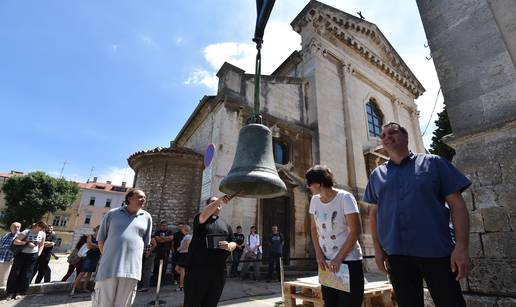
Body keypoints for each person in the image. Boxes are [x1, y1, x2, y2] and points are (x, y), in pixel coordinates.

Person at [364, 122, 471, 307]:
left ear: (406, 137)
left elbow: (457, 206)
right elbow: (374, 215)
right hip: (397, 256)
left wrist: (461, 247)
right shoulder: (376, 175)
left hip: (437, 252)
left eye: (392, 132)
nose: (386, 137)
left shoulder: (434, 163)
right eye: (383, 135)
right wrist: (377, 249)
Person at [306, 165, 364, 306]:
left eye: (309, 183)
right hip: (326, 263)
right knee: (330, 303)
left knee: (348, 304)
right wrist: (318, 253)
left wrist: (339, 258)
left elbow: (355, 230)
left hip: (348, 262)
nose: (307, 186)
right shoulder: (314, 200)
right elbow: (313, 228)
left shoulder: (345, 198)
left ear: (319, 184)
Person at [92, 189, 152, 307]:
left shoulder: (147, 217)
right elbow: (101, 239)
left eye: (144, 197)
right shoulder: (112, 213)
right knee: (103, 303)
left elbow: (146, 243)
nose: (143, 199)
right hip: (109, 268)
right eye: (140, 197)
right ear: (129, 198)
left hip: (132, 269)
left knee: (124, 304)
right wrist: (108, 257)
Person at [183, 196, 237, 307]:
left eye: (219, 203)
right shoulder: (200, 218)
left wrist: (229, 246)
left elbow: (234, 241)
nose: (218, 204)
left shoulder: (225, 225)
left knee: (212, 302)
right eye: (213, 202)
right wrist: (219, 200)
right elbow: (203, 215)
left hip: (218, 272)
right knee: (193, 302)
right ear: (207, 205)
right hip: (198, 271)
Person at [6, 221, 47, 301]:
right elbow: (16, 242)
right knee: (15, 273)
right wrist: (27, 243)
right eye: (41, 228)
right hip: (21, 255)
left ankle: (20, 292)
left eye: (43, 229)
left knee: (27, 274)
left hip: (33, 256)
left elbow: (42, 244)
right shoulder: (27, 231)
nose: (42, 230)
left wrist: (38, 253)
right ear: (37, 225)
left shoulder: (42, 234)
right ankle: (10, 292)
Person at [70, 225, 101, 295]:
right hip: (89, 256)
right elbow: (89, 245)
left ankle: (84, 288)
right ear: (95, 229)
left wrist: (95, 246)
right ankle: (73, 288)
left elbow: (102, 246)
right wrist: (98, 246)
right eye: (99, 229)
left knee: (90, 273)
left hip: (96, 256)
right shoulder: (90, 236)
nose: (100, 231)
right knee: (83, 272)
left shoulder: (101, 238)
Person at [0, 222, 21, 288]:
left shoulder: (20, 236)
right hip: (1, 257)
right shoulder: (6, 234)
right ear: (11, 227)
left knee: (4, 278)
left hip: (9, 259)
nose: (16, 228)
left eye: (18, 227)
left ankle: (2, 292)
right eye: (14, 226)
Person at [153, 220, 173, 285]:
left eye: (165, 225)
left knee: (164, 266)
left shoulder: (170, 232)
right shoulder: (157, 232)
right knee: (156, 267)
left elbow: (171, 238)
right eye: (163, 225)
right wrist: (165, 239)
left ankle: (162, 281)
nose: (164, 227)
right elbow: (158, 240)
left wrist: (162, 238)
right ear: (160, 226)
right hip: (158, 252)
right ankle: (155, 281)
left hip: (166, 252)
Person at [174, 224, 191, 291]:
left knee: (182, 270)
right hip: (183, 255)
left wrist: (179, 249)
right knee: (177, 269)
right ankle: (186, 280)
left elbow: (186, 246)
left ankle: (181, 286)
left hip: (184, 255)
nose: (181, 230)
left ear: (185, 230)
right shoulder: (187, 236)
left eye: (182, 229)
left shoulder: (187, 237)